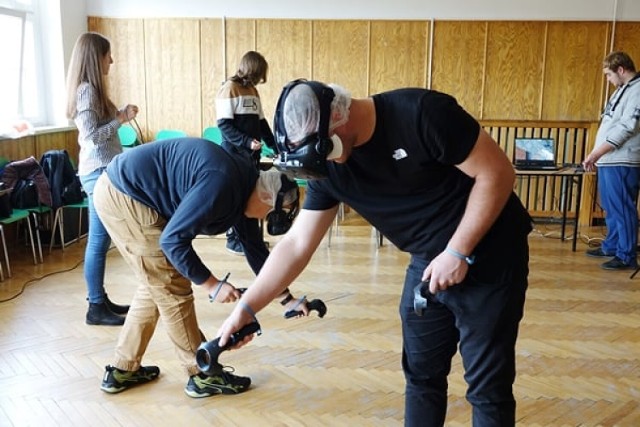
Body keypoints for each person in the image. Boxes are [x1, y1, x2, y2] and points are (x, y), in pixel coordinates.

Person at [217, 80, 533, 426]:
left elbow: (497, 172)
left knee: (487, 387)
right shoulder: (327, 165)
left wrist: (457, 251)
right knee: (422, 377)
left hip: (490, 252)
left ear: (339, 120)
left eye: (325, 153)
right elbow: (296, 243)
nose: (327, 166)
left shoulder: (422, 113)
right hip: (429, 260)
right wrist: (247, 308)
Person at [92, 137, 303, 398]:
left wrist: (287, 299)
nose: (268, 218)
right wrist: (213, 285)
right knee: (172, 287)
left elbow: (256, 251)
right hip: (124, 195)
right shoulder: (222, 183)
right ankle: (202, 373)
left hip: (133, 193)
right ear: (266, 197)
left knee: (157, 283)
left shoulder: (248, 186)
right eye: (272, 212)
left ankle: (122, 369)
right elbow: (173, 241)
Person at [66, 31, 138, 326]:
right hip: (97, 173)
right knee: (97, 241)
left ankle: (100, 299)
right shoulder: (86, 91)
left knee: (101, 239)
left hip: (102, 172)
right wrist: (120, 119)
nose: (112, 60)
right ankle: (95, 306)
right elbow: (92, 138)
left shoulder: (90, 91)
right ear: (96, 57)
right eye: (108, 54)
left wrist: (120, 114)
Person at [215, 51, 277, 256]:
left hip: (251, 155)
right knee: (236, 198)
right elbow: (223, 125)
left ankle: (250, 240)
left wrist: (275, 146)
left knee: (250, 196)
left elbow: (261, 122)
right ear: (252, 70)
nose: (260, 80)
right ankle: (234, 240)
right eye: (259, 74)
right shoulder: (229, 88)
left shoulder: (252, 90)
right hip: (234, 154)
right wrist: (246, 141)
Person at [583, 51, 640, 271]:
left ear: (621, 70)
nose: (608, 80)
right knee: (611, 206)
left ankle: (626, 255)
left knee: (622, 208)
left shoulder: (637, 90)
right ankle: (612, 246)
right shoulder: (623, 90)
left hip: (623, 160)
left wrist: (596, 153)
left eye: (609, 74)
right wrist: (598, 153)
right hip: (610, 158)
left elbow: (627, 128)